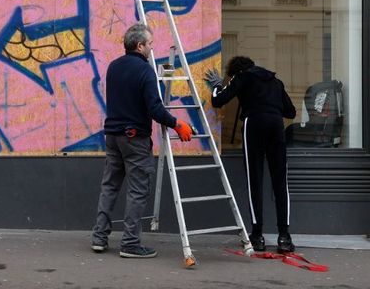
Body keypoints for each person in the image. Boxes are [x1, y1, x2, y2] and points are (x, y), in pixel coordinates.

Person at [91, 24, 194, 258]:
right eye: (149, 44)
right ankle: (130, 243)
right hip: (135, 139)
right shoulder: (145, 71)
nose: (152, 47)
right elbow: (155, 109)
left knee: (109, 187)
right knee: (137, 191)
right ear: (140, 46)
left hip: (113, 137)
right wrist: (177, 124)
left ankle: (99, 238)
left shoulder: (113, 67)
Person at [204, 56, 297, 254]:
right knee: (280, 182)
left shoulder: (242, 77)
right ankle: (284, 237)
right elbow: (290, 112)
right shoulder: (275, 82)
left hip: (254, 123)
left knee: (255, 180)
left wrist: (218, 85)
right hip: (276, 125)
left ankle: (257, 236)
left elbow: (218, 100)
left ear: (236, 71)